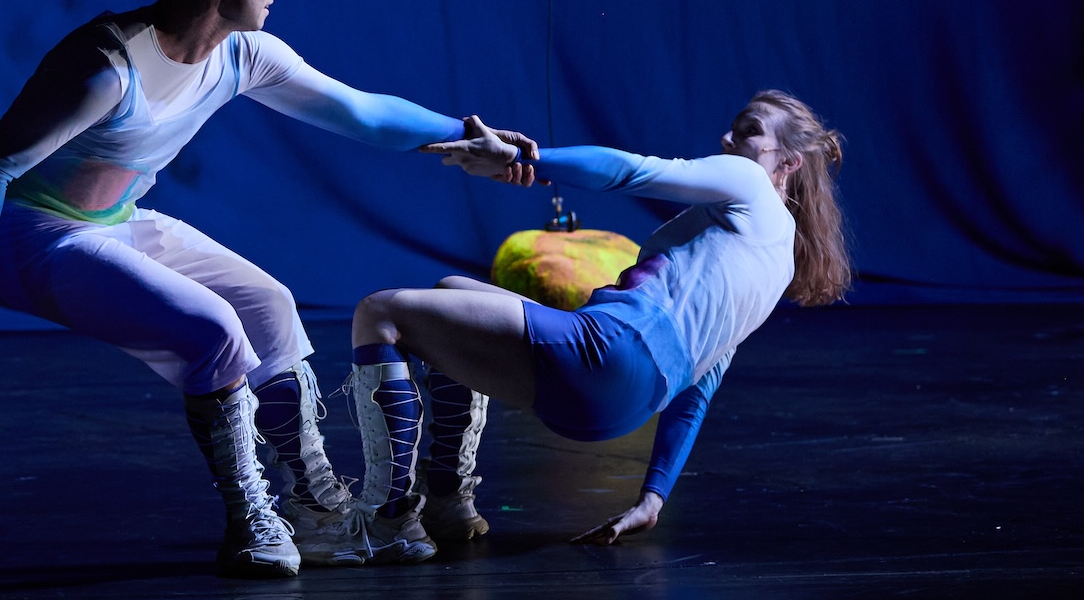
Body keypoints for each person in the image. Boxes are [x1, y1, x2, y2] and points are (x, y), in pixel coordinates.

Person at [0, 0, 531, 578]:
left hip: (115, 224)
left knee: (269, 303)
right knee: (213, 328)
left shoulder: (243, 54)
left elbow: (363, 114)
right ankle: (250, 520)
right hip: (30, 238)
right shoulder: (107, 66)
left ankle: (313, 508)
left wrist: (471, 137)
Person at [346, 91, 849, 547]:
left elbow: (632, 171)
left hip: (606, 353)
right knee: (451, 293)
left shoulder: (750, 182)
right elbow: (699, 387)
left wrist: (523, 158)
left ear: (788, 162)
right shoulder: (778, 265)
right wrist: (653, 496)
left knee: (379, 312)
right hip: (621, 410)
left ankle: (388, 522)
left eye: (748, 131)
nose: (727, 139)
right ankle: (448, 502)